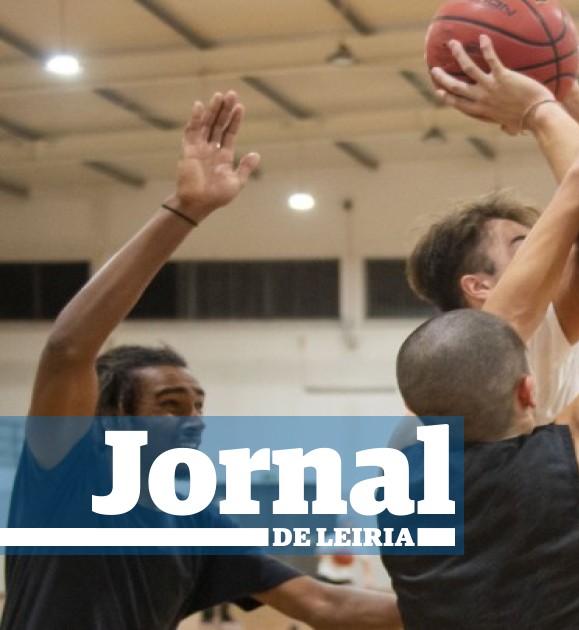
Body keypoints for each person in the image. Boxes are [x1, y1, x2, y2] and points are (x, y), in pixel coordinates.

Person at [1, 91, 401, 630]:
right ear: (112, 417)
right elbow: (69, 347)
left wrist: (475, 606)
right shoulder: (65, 473)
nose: (195, 419)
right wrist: (185, 210)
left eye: (198, 404)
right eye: (170, 405)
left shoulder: (196, 519)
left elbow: (327, 605)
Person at [382, 27, 579, 628]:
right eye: (529, 243)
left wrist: (572, 106)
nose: (560, 244)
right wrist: (547, 112)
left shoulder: (404, 470)